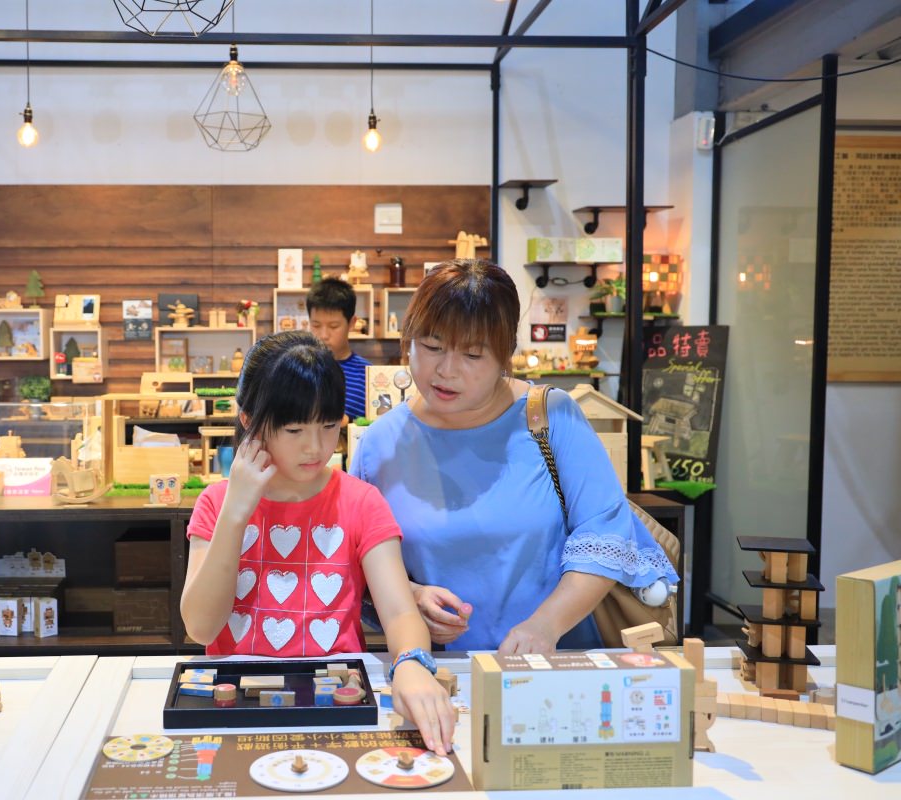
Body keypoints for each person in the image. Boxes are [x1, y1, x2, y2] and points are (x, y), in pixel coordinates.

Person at [350, 259, 678, 655]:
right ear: (409, 339)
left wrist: (546, 625)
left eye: (473, 355)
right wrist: (411, 595)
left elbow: (606, 533)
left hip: (559, 663)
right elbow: (356, 564)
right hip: (443, 673)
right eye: (432, 347)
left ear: (505, 355)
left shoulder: (551, 418)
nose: (447, 370)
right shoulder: (380, 445)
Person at [181, 331, 455, 754]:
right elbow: (200, 626)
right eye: (294, 429)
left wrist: (411, 663)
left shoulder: (361, 501)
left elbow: (400, 610)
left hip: (337, 700)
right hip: (236, 705)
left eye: (328, 426)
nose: (315, 447)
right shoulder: (216, 504)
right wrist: (235, 512)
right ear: (249, 421)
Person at [307, 278, 371, 422]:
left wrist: (349, 423)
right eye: (316, 325)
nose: (323, 335)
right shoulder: (298, 368)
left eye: (333, 326)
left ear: (352, 323)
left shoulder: (367, 375)